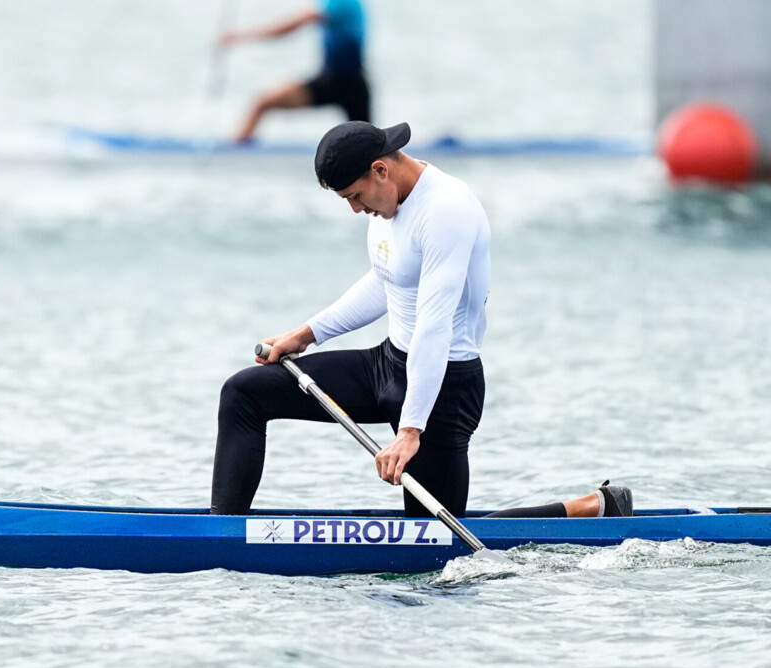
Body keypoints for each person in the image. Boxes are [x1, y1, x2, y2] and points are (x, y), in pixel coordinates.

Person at [209, 120, 633, 520]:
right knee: (245, 393)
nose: (356, 210)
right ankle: (223, 532)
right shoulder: (387, 207)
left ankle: (585, 507)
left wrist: (412, 429)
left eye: (354, 196)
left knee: (435, 545)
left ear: (380, 170)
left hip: (444, 388)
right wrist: (306, 334)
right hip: (386, 366)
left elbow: (434, 325)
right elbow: (385, 281)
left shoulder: (446, 210)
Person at [219, 0, 371, 142]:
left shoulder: (340, 3)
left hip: (345, 83)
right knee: (368, 145)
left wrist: (241, 36)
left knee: (263, 103)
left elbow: (295, 24)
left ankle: (236, 148)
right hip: (345, 82)